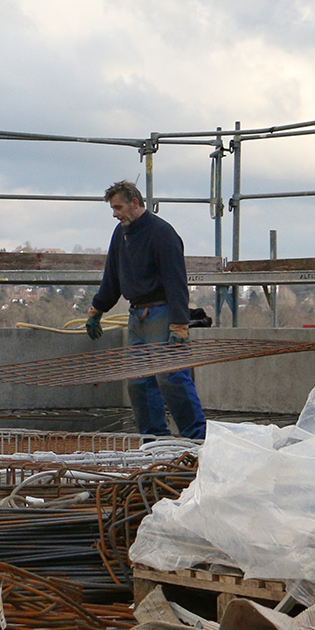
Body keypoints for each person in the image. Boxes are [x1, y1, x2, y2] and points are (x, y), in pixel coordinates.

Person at [86, 180, 206, 440]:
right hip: (137, 316)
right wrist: (97, 309)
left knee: (171, 379)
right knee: (138, 382)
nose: (115, 214)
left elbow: (176, 280)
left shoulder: (161, 233)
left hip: (162, 314)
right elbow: (112, 277)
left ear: (135, 203)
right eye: (113, 209)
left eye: (118, 207)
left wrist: (179, 324)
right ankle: (154, 441)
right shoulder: (121, 233)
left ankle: (196, 439)